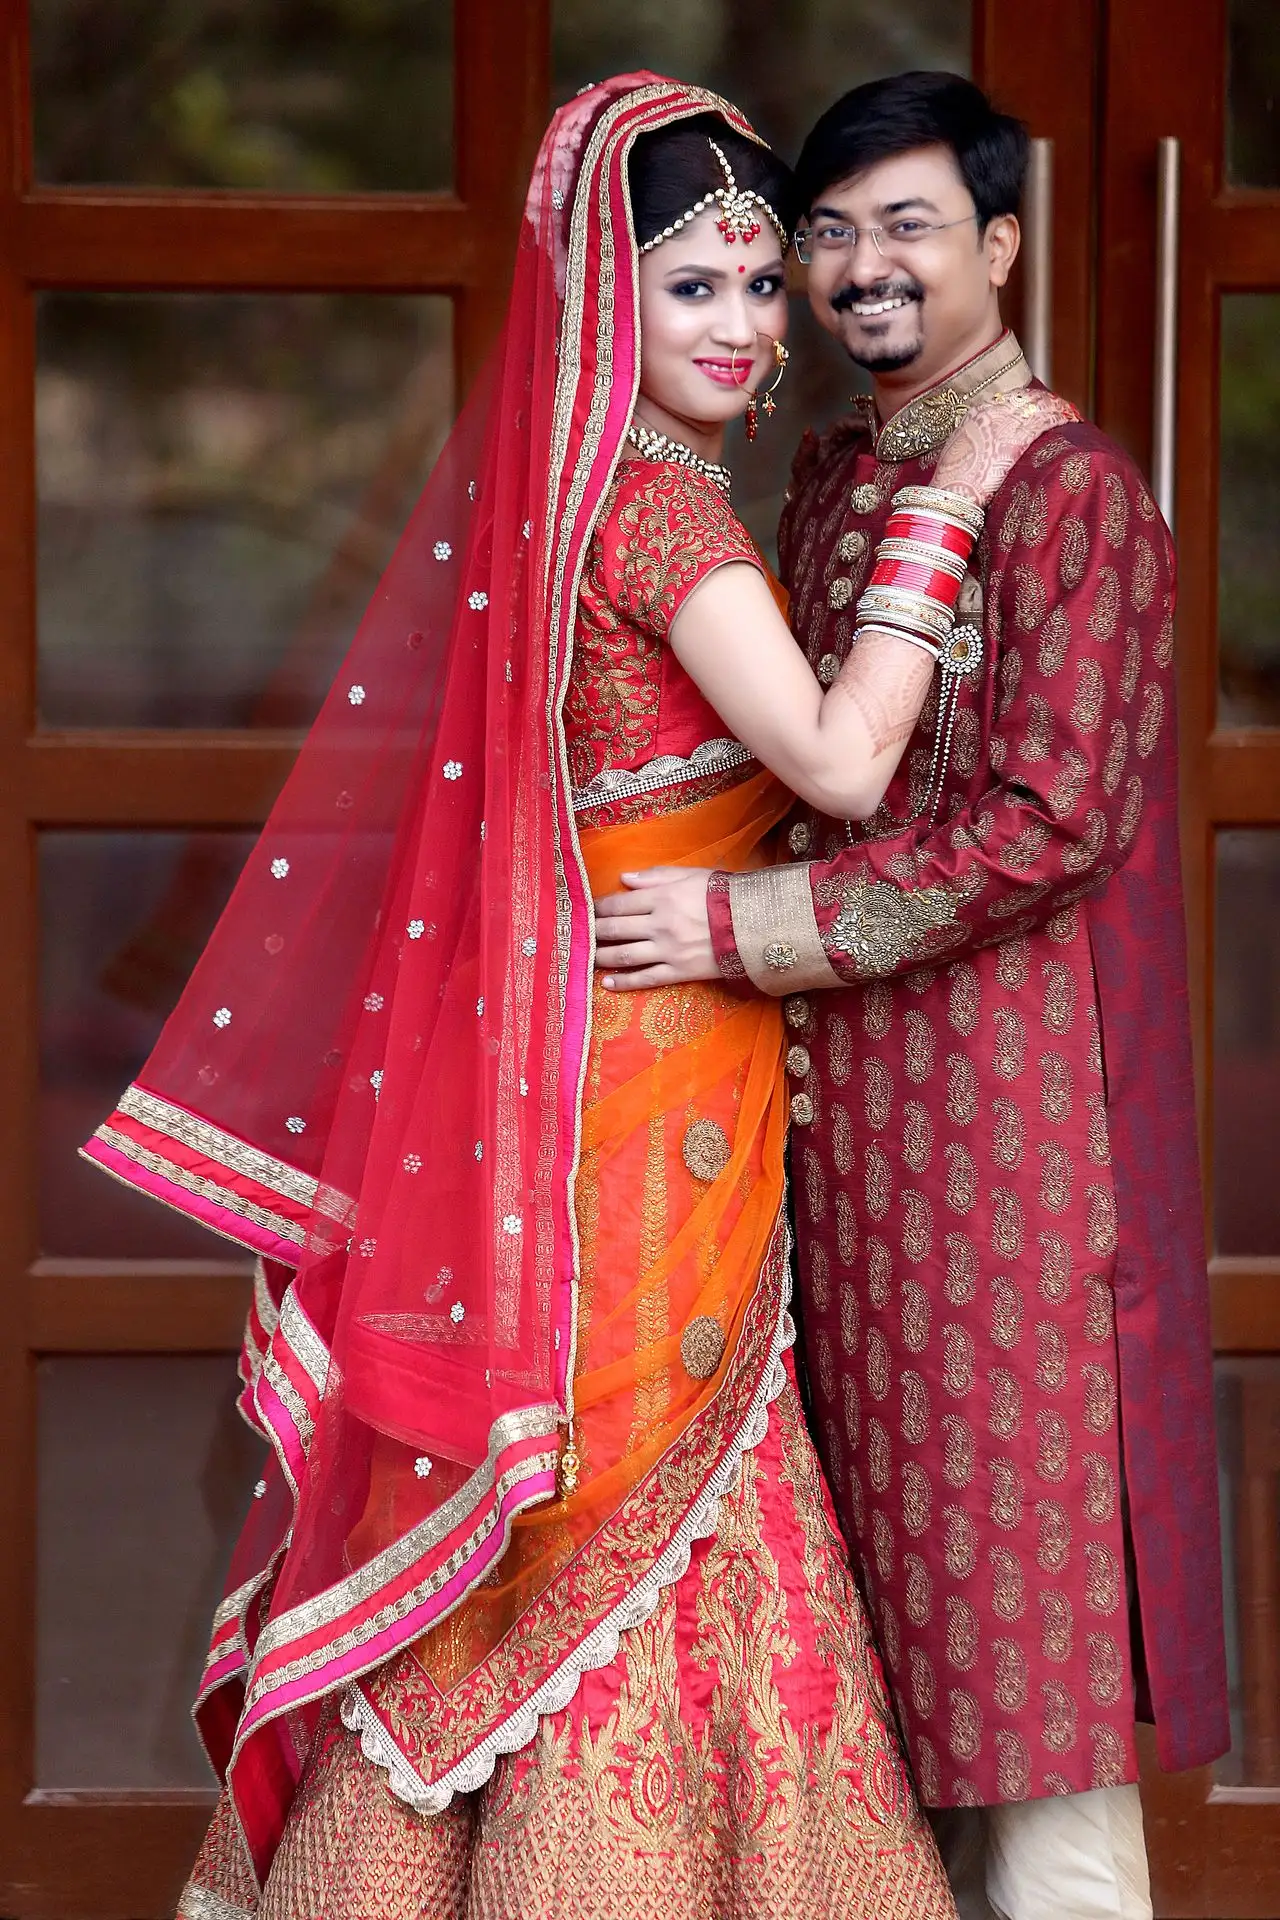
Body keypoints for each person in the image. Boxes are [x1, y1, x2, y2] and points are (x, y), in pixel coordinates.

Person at [84, 76, 1053, 1920]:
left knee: (588, 1499)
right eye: (693, 284)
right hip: (645, 1088)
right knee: (637, 1489)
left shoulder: (576, 500)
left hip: (603, 1065)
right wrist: (960, 496)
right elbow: (846, 768)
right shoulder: (664, 524)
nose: (746, 323)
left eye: (763, 285)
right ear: (605, 296)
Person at [595, 70, 1230, 1920]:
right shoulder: (827, 479)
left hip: (1015, 1164)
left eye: (911, 227)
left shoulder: (1069, 490)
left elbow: (1049, 825)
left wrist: (743, 931)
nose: (863, 268)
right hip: (830, 1165)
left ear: (1001, 245)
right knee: (880, 1660)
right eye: (834, 231)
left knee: (1030, 1657)